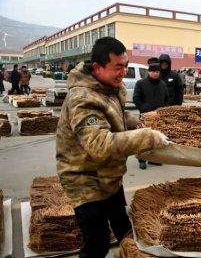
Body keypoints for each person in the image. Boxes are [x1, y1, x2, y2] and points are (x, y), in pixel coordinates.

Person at [56, 37, 169, 258]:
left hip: (109, 177)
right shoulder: (82, 99)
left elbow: (115, 117)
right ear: (97, 67)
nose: (124, 72)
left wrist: (142, 122)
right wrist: (147, 136)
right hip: (85, 182)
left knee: (126, 230)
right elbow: (99, 144)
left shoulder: (109, 87)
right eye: (118, 67)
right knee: (97, 245)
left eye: (126, 65)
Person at [133, 57, 169, 170]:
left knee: (157, 139)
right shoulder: (141, 83)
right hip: (145, 116)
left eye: (157, 71)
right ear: (149, 72)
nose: (155, 73)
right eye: (153, 71)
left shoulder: (163, 85)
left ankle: (154, 159)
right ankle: (142, 159)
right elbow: (136, 98)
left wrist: (164, 111)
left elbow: (167, 99)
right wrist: (144, 109)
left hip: (158, 117)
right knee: (143, 139)